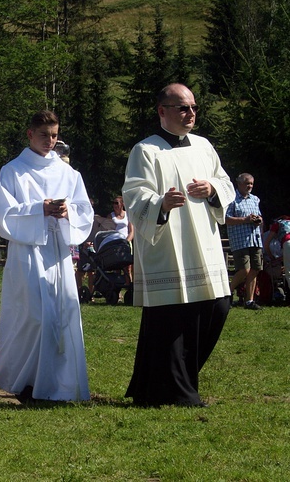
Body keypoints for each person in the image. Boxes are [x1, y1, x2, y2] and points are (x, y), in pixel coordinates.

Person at [123, 83, 234, 407]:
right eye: (183, 108)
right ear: (162, 111)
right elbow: (134, 194)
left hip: (205, 245)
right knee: (172, 321)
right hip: (168, 248)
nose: (191, 114)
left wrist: (212, 188)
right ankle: (176, 391)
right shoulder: (146, 151)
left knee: (217, 307)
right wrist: (160, 203)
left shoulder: (203, 146)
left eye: (194, 108)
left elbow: (224, 182)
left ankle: (164, 385)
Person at [0, 110, 94, 403]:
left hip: (57, 252)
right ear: (30, 135)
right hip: (27, 252)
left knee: (62, 316)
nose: (50, 141)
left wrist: (66, 212)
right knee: (34, 315)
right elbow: (2, 215)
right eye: (44, 135)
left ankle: (56, 384)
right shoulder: (13, 171)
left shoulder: (68, 173)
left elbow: (84, 210)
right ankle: (25, 381)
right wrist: (39, 209)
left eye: (55, 135)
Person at [225, 173, 263, 310]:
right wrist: (245, 220)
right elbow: (226, 219)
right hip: (240, 241)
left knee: (255, 270)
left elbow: (260, 217)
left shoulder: (255, 199)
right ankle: (226, 293)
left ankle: (249, 301)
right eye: (247, 183)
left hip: (255, 239)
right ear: (239, 184)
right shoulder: (232, 200)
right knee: (244, 270)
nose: (250, 186)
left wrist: (258, 220)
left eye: (251, 184)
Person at [264, 216, 290, 293]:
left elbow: (266, 244)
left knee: (289, 272)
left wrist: (272, 258)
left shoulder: (277, 223)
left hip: (288, 242)